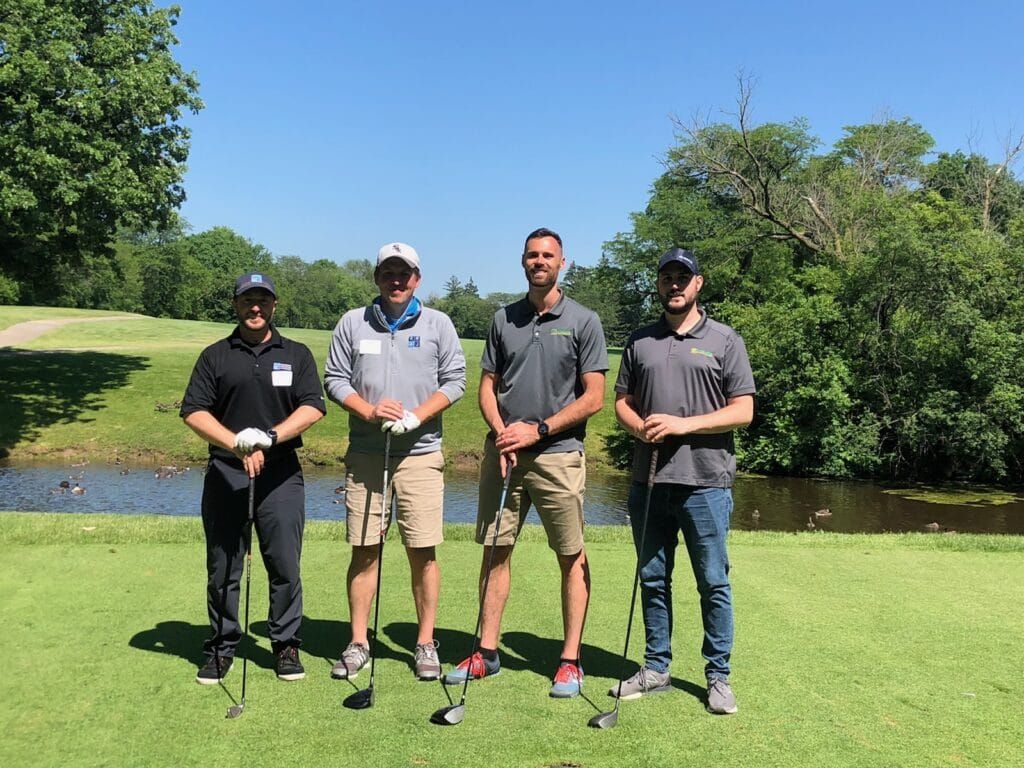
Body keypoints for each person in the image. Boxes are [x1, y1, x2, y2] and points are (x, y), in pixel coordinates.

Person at [444, 227, 608, 698]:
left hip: (558, 456)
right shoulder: (504, 318)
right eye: (533, 255)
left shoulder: (583, 321)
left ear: (563, 263)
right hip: (505, 456)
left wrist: (538, 430)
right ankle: (487, 651)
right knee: (495, 550)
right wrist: (502, 434)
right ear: (523, 262)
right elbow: (486, 387)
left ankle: (570, 660)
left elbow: (593, 397)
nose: (540, 261)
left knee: (570, 555)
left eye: (548, 255)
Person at [610, 247, 755, 714]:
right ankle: (656, 668)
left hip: (706, 482)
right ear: (659, 284)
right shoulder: (640, 342)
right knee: (653, 578)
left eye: (683, 277)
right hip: (648, 480)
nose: (674, 284)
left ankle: (718, 677)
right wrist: (639, 426)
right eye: (667, 276)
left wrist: (682, 424)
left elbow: (744, 411)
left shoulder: (725, 340)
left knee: (713, 581)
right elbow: (622, 403)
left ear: (698, 284)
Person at [323, 242, 466, 681]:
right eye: (389, 272)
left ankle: (425, 644)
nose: (396, 280)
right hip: (367, 454)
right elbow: (334, 378)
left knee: (422, 550)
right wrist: (368, 411)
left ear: (417, 278)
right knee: (365, 549)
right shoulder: (353, 322)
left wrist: (417, 416)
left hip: (420, 454)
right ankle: (359, 642)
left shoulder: (438, 323)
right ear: (377, 277)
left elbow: (456, 380)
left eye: (404, 273)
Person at [181, 272, 326, 684]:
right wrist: (235, 444)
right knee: (224, 566)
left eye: (263, 300)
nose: (256, 307)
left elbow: (313, 407)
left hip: (281, 474)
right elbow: (194, 410)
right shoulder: (215, 355)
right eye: (248, 300)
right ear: (236, 304)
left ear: (275, 305)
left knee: (284, 564)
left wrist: (270, 437)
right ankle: (221, 647)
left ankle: (285, 645)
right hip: (226, 473)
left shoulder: (295, 354)